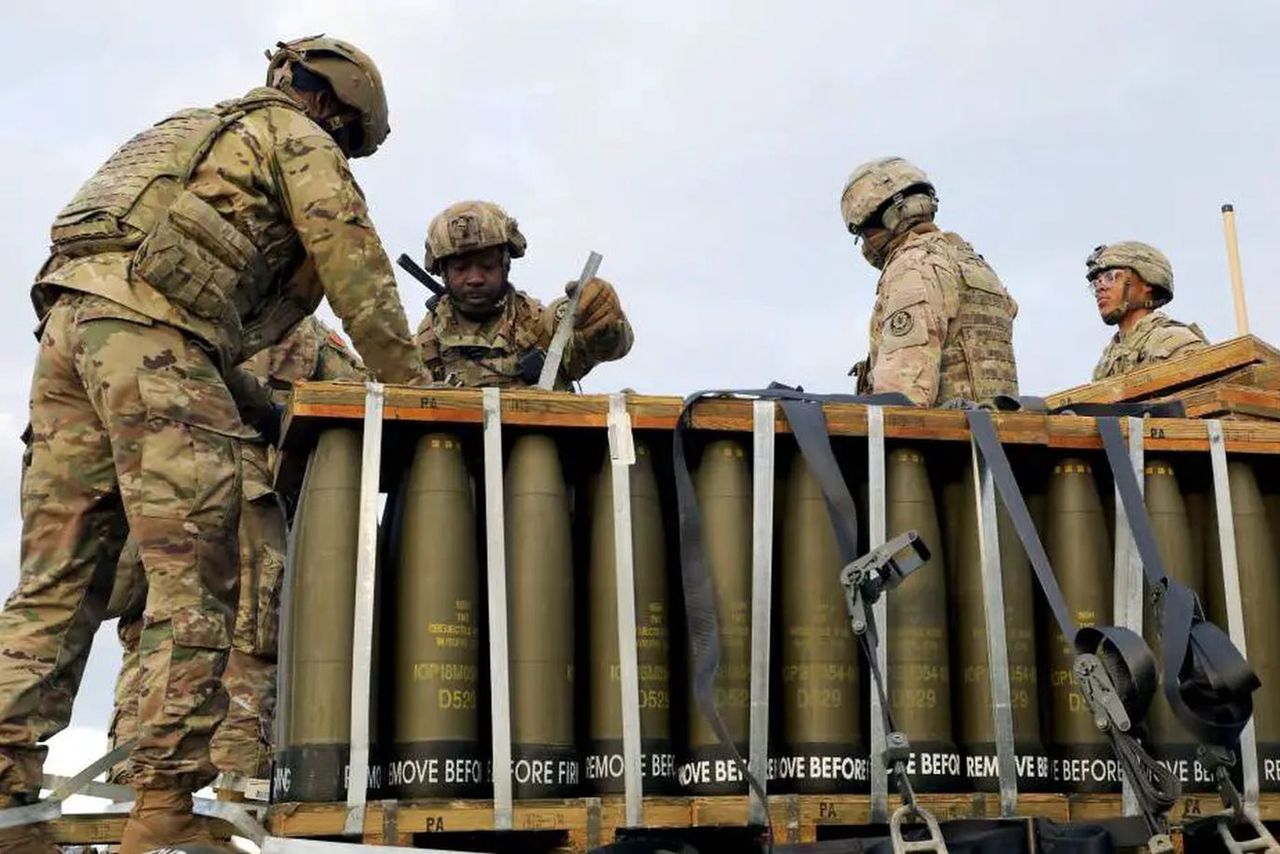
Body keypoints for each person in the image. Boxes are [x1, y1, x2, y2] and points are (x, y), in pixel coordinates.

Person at [0, 35, 423, 853]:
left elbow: (201, 320)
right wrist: (414, 388)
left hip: (67, 334)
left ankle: (8, 801)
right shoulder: (297, 137)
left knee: (58, 581)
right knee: (193, 577)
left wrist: (253, 402)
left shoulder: (186, 132)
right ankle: (164, 807)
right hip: (153, 339)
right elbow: (355, 266)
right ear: (337, 108)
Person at [105, 317, 365, 798]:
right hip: (168, 538)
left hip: (249, 551)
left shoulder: (304, 338)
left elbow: (366, 404)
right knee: (156, 652)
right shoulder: (161, 316)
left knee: (240, 774)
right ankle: (142, 795)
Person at [841, 157, 1019, 406]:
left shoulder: (913, 267)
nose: (866, 246)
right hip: (996, 436)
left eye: (863, 233)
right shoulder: (971, 262)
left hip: (948, 439)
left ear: (886, 220)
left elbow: (902, 395)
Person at [415, 200, 633, 389]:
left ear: (505, 264)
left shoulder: (540, 325)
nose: (475, 279)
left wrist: (603, 318)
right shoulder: (424, 346)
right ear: (443, 273)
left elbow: (604, 345)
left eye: (487, 266)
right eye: (461, 268)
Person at [1087, 241, 1208, 380]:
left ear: (1148, 283)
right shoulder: (1106, 363)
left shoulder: (1175, 342)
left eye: (1110, 277)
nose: (1099, 288)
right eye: (1096, 282)